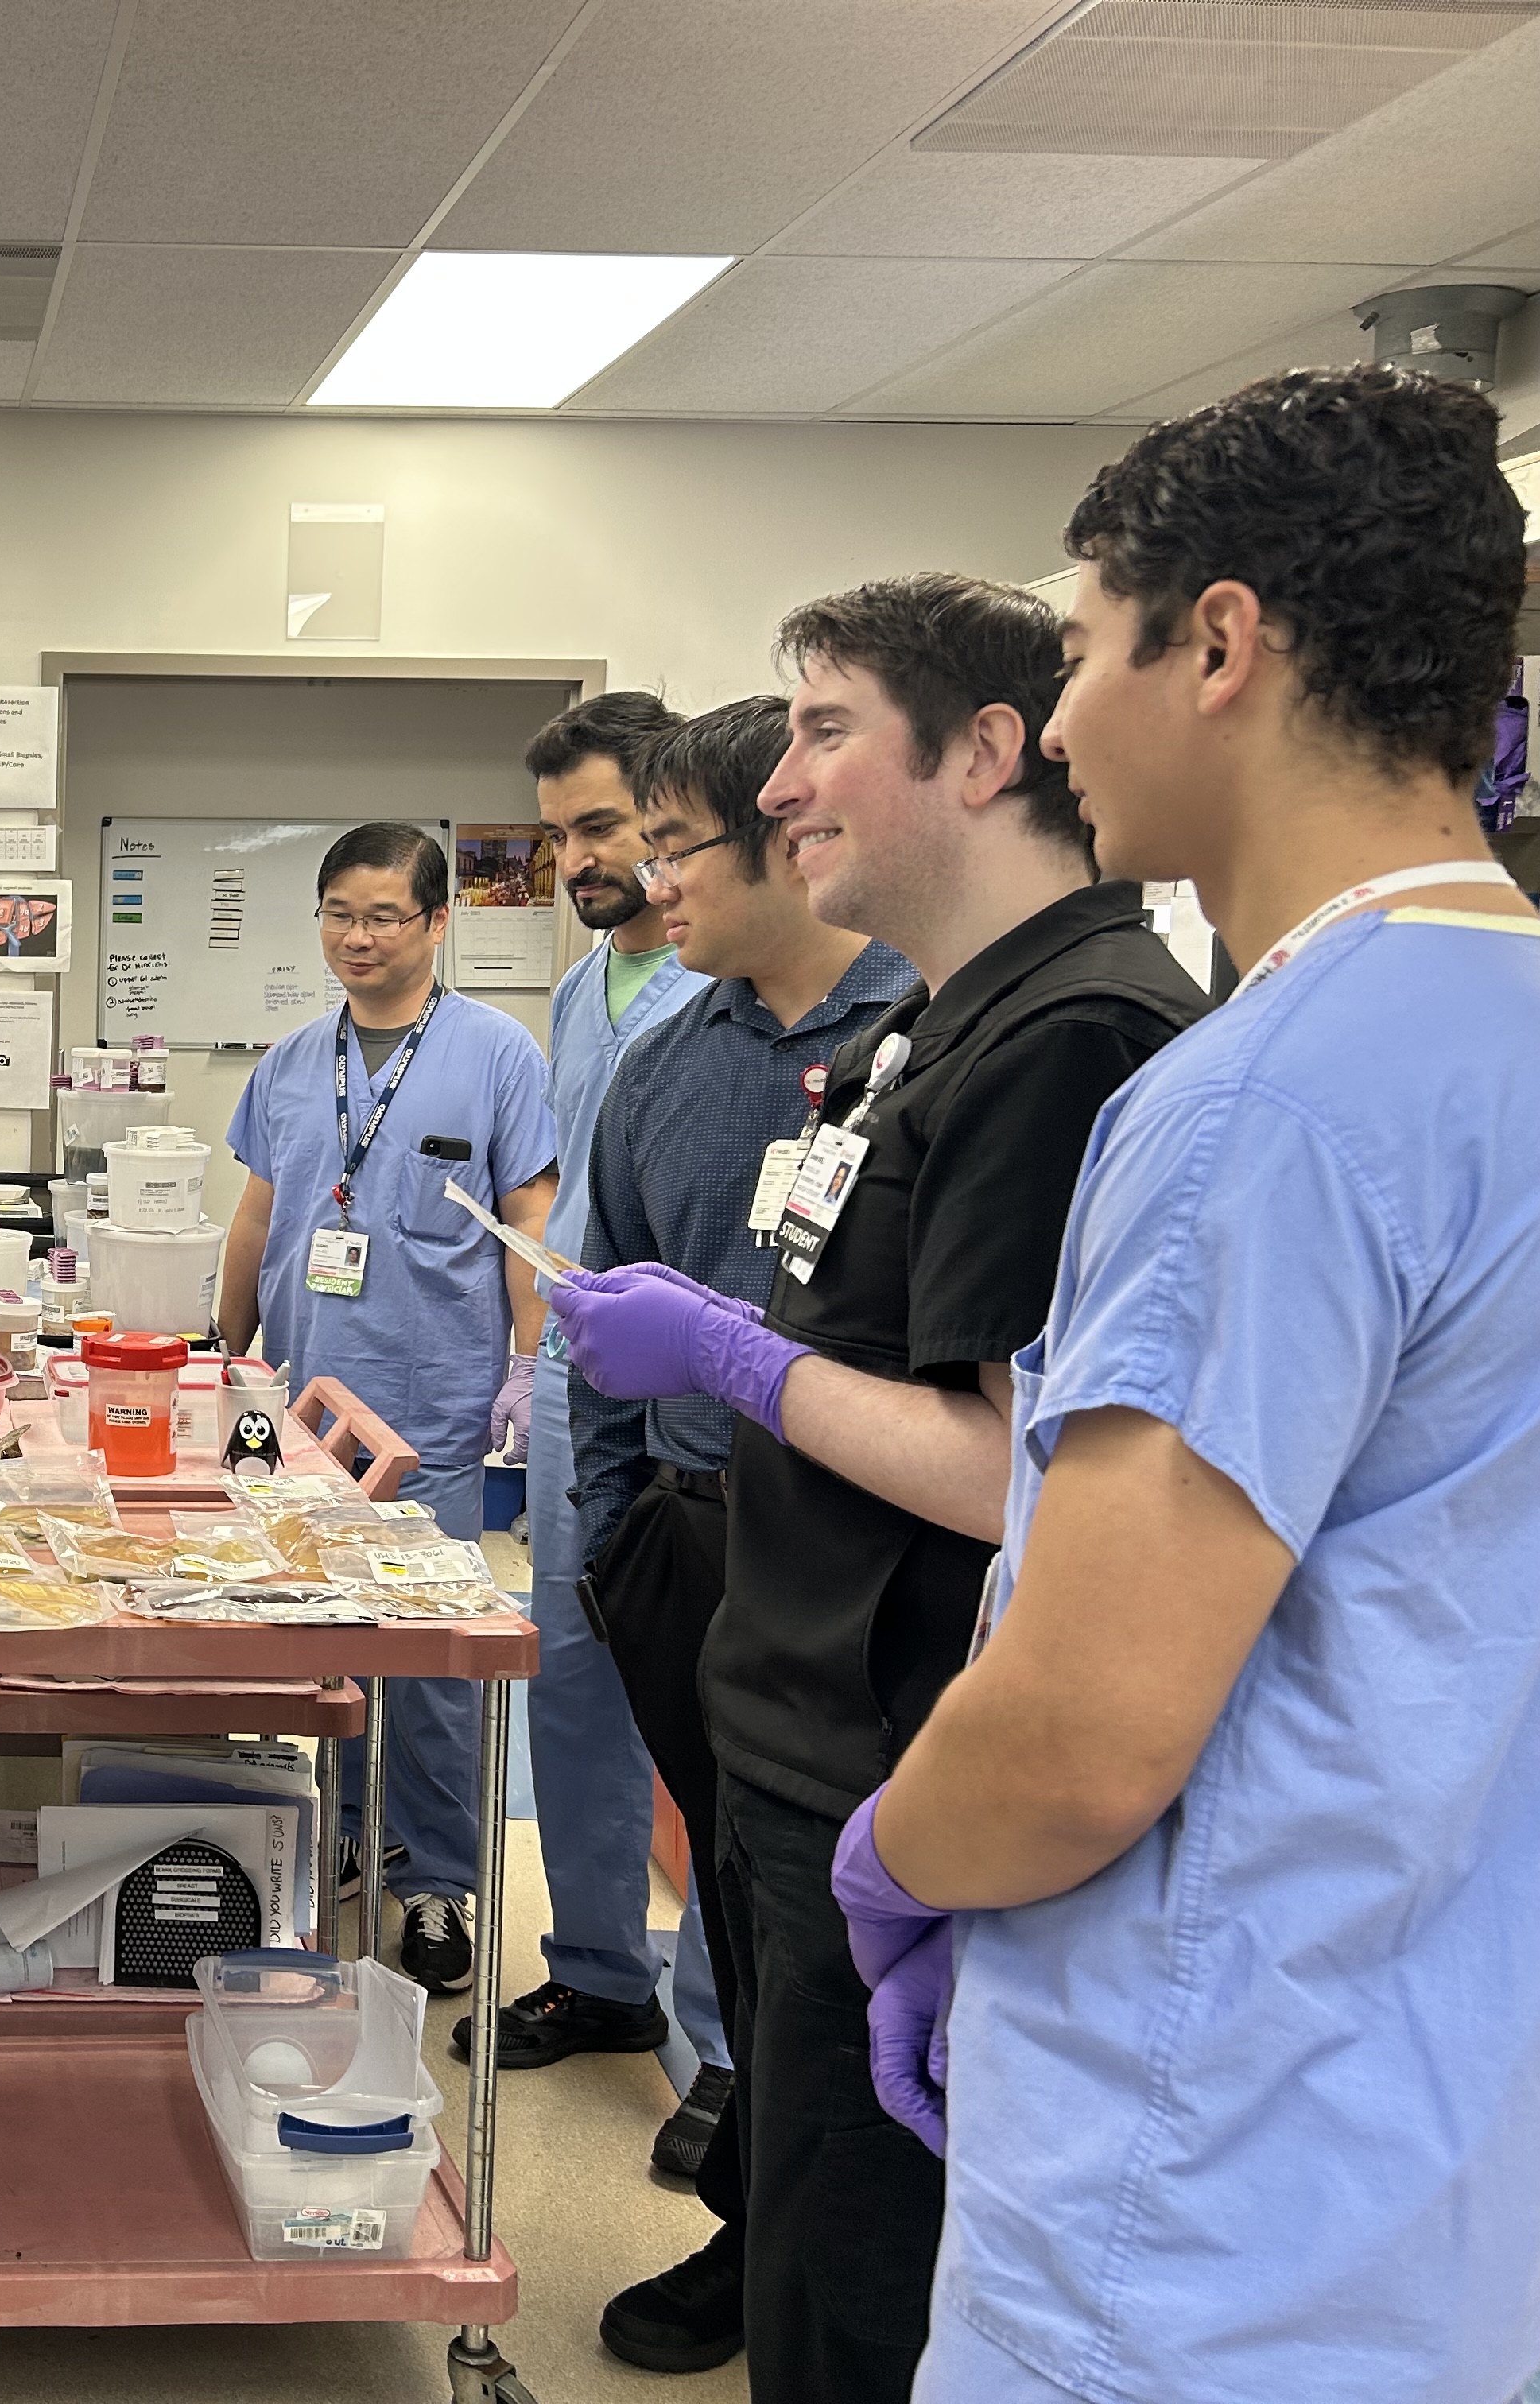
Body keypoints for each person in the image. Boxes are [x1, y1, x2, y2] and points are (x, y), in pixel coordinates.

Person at [843, 368, 1540, 2401]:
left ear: (1217, 643)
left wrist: (892, 1860)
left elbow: (1075, 1741)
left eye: (1075, 651)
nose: (1053, 723)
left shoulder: (1259, 1103)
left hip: (1205, 2201)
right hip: (1442, 2156)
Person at [555, 573, 1206, 2400]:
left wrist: (742, 1362)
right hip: (799, 1730)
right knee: (808, 2249)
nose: (780, 790)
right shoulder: (935, 1024)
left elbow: (1028, 1474)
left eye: (826, 730)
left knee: (862, 2290)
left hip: (891, 1766)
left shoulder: (1082, 1035)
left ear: (988, 752)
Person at [561, 695, 916, 2375]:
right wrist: (616, 1538)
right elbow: (597, 1326)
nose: (646, 878)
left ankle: (821, 2265)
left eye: (674, 843)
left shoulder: (920, 1043)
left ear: (793, 839)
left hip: (867, 1573)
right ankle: (748, 2230)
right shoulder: (663, 1066)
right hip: (696, 1546)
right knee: (735, 1917)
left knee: (838, 1948)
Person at [215, 820, 558, 1993]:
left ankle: (437, 1885)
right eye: (338, 915)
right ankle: (350, 1840)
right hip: (306, 1413)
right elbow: (259, 1218)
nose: (357, 939)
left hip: (436, 1410)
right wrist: (226, 1352)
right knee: (319, 1643)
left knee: (425, 1665)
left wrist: (530, 1361)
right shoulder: (291, 1061)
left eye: (383, 917)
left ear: (436, 922)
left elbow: (529, 1226)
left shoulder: (497, 1054)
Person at [495, 690, 729, 2162]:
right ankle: (599, 1975)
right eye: (559, 832)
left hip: (703, 1400)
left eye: (605, 828)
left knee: (710, 1721)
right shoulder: (587, 991)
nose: (579, 860)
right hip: (584, 1385)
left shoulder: (733, 989)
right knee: (571, 1680)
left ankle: (722, 2041)